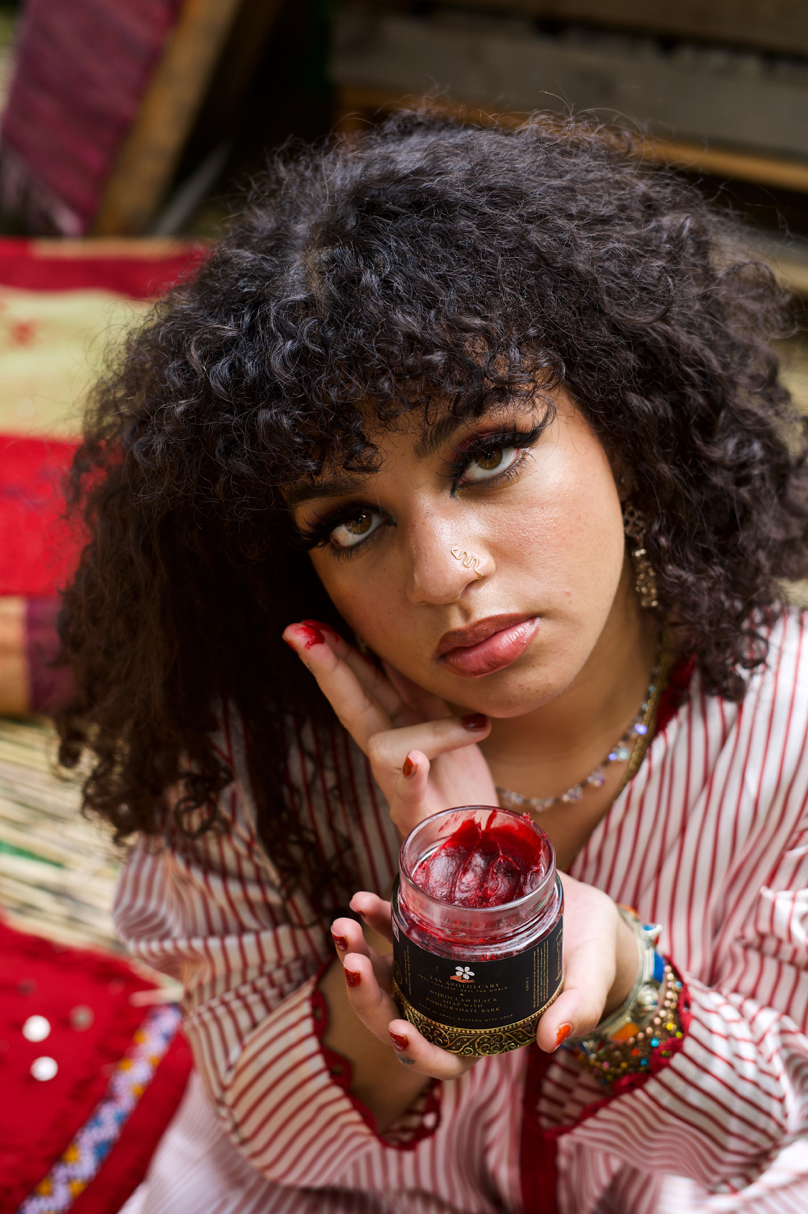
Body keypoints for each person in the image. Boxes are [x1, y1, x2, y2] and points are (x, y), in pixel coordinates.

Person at [57, 110, 808, 1213]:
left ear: (628, 427)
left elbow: (760, 1134)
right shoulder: (254, 749)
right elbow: (270, 1134)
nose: (443, 572)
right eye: (351, 521)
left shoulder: (789, 728)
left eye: (490, 454)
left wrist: (615, 976)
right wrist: (434, 953)